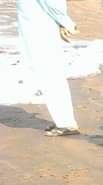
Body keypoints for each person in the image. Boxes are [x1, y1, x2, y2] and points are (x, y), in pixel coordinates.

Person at [16, 0, 80, 136]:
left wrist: (65, 22)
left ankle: (66, 123)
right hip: (36, 30)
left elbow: (54, 3)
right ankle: (63, 121)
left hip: (41, 32)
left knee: (50, 75)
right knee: (47, 75)